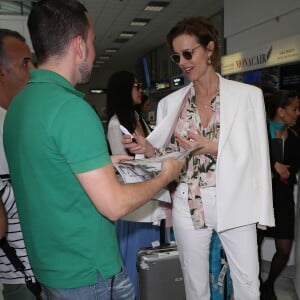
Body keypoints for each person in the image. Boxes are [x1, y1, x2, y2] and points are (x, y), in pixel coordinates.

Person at [3, 1, 184, 300]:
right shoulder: (72, 110)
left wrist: (103, 162)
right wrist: (164, 175)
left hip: (50, 267)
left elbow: (46, 168)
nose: (94, 50)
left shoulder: (19, 106)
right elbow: (113, 205)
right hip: (89, 273)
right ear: (78, 46)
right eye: (92, 41)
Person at [123, 16, 275, 300]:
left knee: (247, 283)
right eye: (177, 56)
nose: (182, 62)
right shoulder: (171, 102)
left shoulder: (247, 96)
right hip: (188, 200)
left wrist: (214, 149)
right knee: (194, 285)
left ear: (209, 49)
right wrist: (148, 149)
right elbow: (169, 155)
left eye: (189, 53)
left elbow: (259, 158)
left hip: (235, 197)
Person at [106, 71, 161, 298]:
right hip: (134, 205)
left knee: (155, 260)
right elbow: (124, 168)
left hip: (153, 199)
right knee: (136, 262)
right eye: (135, 85)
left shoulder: (140, 119)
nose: (140, 89)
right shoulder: (116, 125)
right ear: (124, 90)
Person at [0, 28, 37, 300]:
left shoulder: (19, 120)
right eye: (25, 62)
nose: (33, 70)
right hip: (22, 274)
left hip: (44, 268)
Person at [258, 91, 300, 300]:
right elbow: (249, 158)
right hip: (259, 197)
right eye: (294, 109)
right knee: (253, 245)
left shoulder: (295, 135)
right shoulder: (259, 130)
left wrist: (288, 170)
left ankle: (269, 283)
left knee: (284, 248)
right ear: (282, 112)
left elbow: (297, 162)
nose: (298, 113)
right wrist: (274, 166)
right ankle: (255, 284)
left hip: (283, 198)